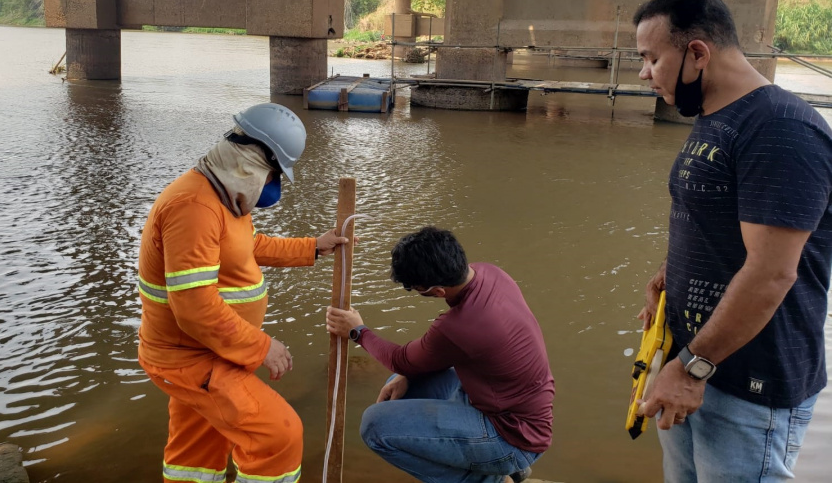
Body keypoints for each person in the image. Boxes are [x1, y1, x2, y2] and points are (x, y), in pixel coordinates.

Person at [633, 0, 832, 481]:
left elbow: (771, 272)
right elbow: (716, 223)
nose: (643, 73)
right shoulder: (716, 117)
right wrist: (670, 276)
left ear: (697, 53)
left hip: (745, 384)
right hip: (691, 364)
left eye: (652, 58)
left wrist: (694, 366)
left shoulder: (780, 129)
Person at [136, 102, 347, 483]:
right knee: (277, 435)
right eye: (275, 174)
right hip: (193, 359)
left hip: (208, 352)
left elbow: (248, 246)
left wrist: (313, 246)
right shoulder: (194, 206)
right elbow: (195, 307)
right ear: (252, 162)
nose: (273, 186)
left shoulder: (220, 196)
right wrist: (263, 347)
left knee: (195, 454)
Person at [325, 227, 554, 483]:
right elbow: (417, 361)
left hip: (513, 438)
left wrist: (357, 332)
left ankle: (493, 478)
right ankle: (511, 469)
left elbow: (400, 359)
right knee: (399, 384)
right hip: (514, 408)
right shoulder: (490, 273)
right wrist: (408, 372)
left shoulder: (459, 326)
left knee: (374, 427)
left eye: (415, 289)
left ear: (437, 291)